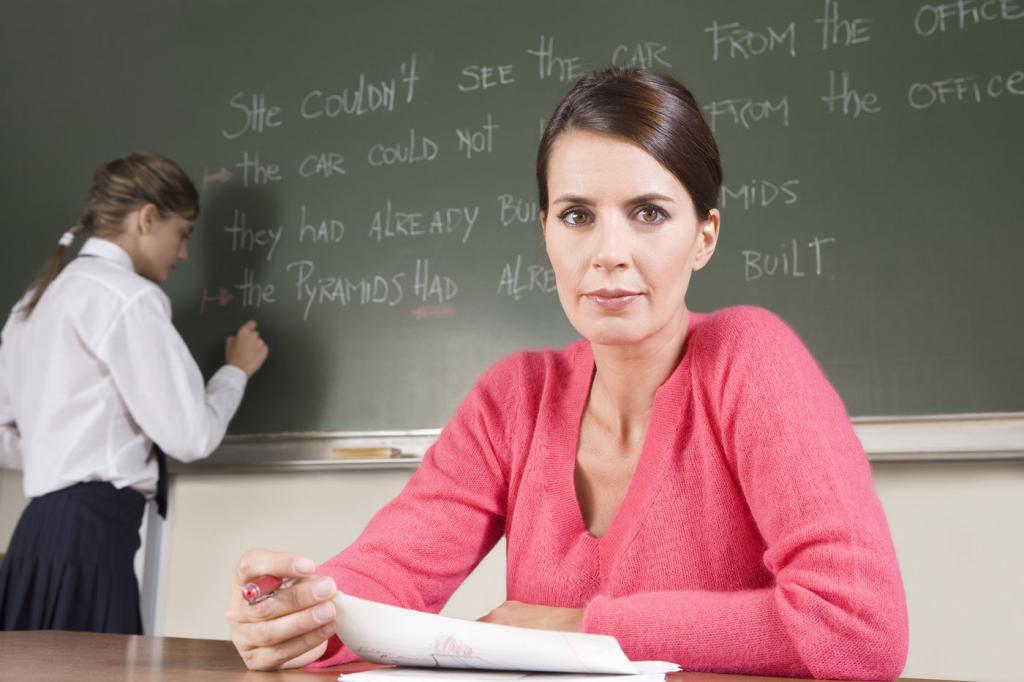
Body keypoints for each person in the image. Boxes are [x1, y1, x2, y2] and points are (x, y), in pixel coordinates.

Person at [226, 69, 908, 680]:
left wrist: (583, 626)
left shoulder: (750, 358)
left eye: (648, 213)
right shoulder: (514, 397)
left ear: (705, 235)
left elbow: (858, 627)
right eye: (577, 215)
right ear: (545, 231)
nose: (609, 253)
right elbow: (391, 570)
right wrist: (299, 615)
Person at [0, 152, 269, 634]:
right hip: (90, 542)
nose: (184, 253)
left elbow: (3, 434)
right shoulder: (127, 297)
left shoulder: (33, 302)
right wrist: (235, 371)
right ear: (147, 217)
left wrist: (60, 452)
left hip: (34, 538)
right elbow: (190, 437)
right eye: (183, 233)